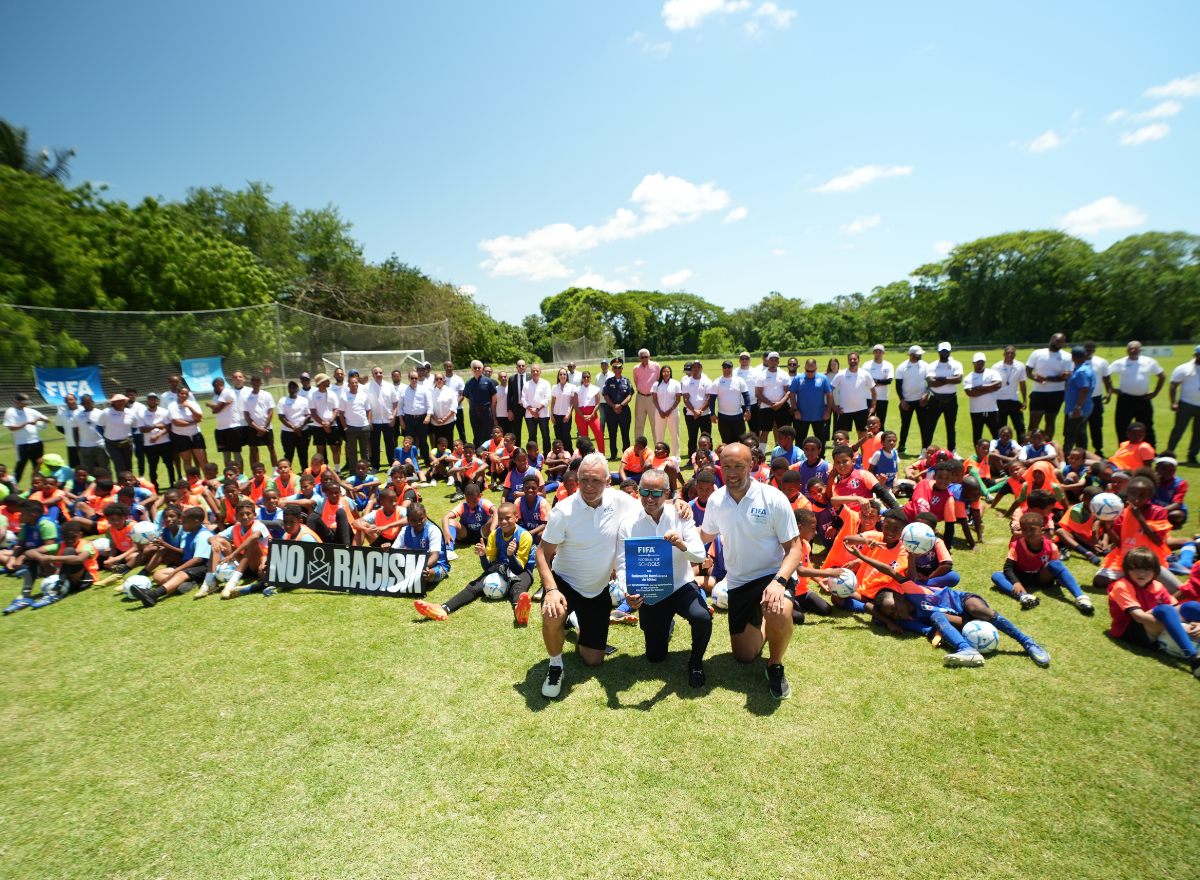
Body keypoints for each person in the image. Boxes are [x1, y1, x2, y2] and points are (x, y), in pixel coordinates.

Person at [536, 452, 693, 698]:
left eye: (596, 480)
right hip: (565, 582)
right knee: (552, 611)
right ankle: (556, 665)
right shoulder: (563, 511)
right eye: (584, 479)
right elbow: (541, 554)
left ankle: (575, 623)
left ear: (607, 480)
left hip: (598, 590)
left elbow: (650, 501)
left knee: (593, 660)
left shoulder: (618, 499)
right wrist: (552, 590)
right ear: (577, 478)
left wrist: (677, 500)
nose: (589, 486)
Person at [699, 442, 807, 699]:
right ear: (720, 467)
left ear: (752, 466)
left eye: (739, 466)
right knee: (744, 656)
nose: (732, 472)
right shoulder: (716, 500)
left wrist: (779, 581)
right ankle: (769, 618)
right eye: (727, 466)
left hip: (773, 574)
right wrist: (678, 517)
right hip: (738, 582)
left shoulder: (773, 498)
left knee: (777, 608)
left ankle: (775, 664)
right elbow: (704, 535)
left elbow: (795, 549)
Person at [614, 468, 710, 686]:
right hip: (652, 590)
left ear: (667, 494)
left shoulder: (681, 516)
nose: (650, 498)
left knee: (702, 617)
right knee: (655, 657)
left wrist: (681, 544)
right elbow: (622, 565)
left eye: (656, 493)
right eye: (645, 492)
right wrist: (626, 591)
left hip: (681, 585)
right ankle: (666, 626)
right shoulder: (629, 524)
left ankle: (696, 663)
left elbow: (700, 554)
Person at [872, 584, 1050, 668]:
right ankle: (966, 650)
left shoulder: (913, 591)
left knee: (978, 609)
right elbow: (871, 611)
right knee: (937, 616)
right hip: (958, 620)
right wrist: (889, 621)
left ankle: (1027, 642)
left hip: (963, 601)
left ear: (900, 596)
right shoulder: (907, 618)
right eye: (892, 614)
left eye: (895, 608)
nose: (896, 614)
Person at [415, 501, 534, 625]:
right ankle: (443, 608)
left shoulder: (525, 536)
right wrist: (483, 556)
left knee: (518, 587)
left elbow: (518, 569)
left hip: (522, 570)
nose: (504, 522)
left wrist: (511, 556)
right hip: (501, 568)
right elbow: (489, 567)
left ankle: (519, 610)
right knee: (474, 586)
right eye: (501, 518)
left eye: (508, 518)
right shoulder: (494, 534)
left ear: (516, 517)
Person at [1106, 546, 1200, 678]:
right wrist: (1181, 629)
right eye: (1135, 568)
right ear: (1127, 570)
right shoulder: (1121, 585)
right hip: (1130, 629)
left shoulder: (1157, 585)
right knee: (1165, 609)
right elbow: (1139, 617)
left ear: (1155, 571)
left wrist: (1196, 622)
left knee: (1191, 606)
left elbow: (1177, 608)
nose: (1141, 573)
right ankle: (1194, 660)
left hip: (1153, 626)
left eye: (1146, 569)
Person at [992, 511, 1092, 612]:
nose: (1028, 533)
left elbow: (1055, 567)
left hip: (1041, 576)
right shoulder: (1017, 545)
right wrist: (1016, 583)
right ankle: (1025, 597)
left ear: (1042, 530)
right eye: (1024, 530)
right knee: (996, 575)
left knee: (1056, 564)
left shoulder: (1051, 546)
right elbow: (1008, 568)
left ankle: (1081, 597)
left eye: (1032, 529)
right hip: (1021, 576)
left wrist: (1060, 579)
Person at [126, 506, 213, 607]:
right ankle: (186, 584)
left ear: (195, 522)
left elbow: (198, 560)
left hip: (206, 567)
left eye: (184, 522)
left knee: (180, 573)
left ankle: (153, 595)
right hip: (191, 567)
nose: (181, 523)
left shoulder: (203, 535)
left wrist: (175, 571)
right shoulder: (190, 533)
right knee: (158, 574)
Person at [1108, 340, 1165, 448]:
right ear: (1127, 350)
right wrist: (1112, 389)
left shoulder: (1149, 361)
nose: (1132, 350)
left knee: (1146, 426)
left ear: (1140, 350)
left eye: (1135, 348)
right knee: (1122, 426)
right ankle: (1124, 450)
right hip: (1125, 399)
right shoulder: (1120, 362)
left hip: (1143, 399)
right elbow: (1106, 374)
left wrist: (1155, 393)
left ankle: (1149, 450)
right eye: (1130, 348)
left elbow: (1162, 376)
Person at [1026, 333, 1073, 443]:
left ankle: (1047, 445)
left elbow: (1065, 377)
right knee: (1034, 420)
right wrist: (1035, 378)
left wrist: (1046, 378)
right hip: (1038, 392)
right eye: (1057, 341)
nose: (1059, 343)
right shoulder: (1038, 353)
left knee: (1050, 420)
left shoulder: (1066, 356)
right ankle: (1029, 446)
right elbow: (1028, 371)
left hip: (1056, 393)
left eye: (1062, 342)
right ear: (1051, 339)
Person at [395, 503, 450, 587]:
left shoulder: (433, 530)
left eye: (421, 519)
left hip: (436, 565)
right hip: (414, 565)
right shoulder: (405, 530)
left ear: (426, 517)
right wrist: (388, 549)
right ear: (408, 520)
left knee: (424, 576)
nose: (418, 523)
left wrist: (419, 568)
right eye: (413, 520)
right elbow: (394, 551)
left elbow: (434, 557)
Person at [1165, 344, 1200, 466]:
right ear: (1195, 354)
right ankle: (1168, 454)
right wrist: (1173, 402)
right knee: (1178, 430)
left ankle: (1192, 456)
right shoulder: (1184, 368)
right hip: (1186, 403)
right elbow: (1173, 386)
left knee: (1198, 432)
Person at [5, 393, 50, 485]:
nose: (25, 404)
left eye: (27, 402)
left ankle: (37, 487)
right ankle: (13, 488)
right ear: (17, 401)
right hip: (22, 444)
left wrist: (42, 420)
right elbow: (11, 427)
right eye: (23, 402)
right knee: (21, 466)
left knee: (38, 465)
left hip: (36, 442)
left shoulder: (31, 411)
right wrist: (27, 423)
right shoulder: (11, 411)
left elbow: (47, 420)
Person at [926, 342, 963, 452]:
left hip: (951, 399)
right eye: (942, 351)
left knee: (951, 427)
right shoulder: (932, 365)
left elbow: (958, 379)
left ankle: (952, 451)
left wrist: (941, 379)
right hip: (935, 399)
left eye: (946, 351)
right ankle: (925, 450)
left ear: (950, 351)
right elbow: (931, 382)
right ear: (938, 352)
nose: (944, 353)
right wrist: (949, 380)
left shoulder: (956, 364)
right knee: (929, 427)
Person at [831, 351, 877, 439]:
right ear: (848, 361)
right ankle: (844, 453)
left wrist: (873, 407)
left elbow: (873, 391)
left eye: (854, 359)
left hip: (861, 409)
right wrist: (834, 407)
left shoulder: (865, 374)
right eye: (850, 359)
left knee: (863, 435)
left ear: (859, 360)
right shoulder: (841, 374)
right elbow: (830, 390)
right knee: (843, 436)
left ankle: (863, 453)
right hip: (845, 410)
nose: (852, 361)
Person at [787, 358, 833, 445]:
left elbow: (829, 394)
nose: (810, 373)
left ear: (816, 368)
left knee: (820, 439)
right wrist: (795, 410)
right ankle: (799, 457)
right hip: (801, 416)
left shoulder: (823, 378)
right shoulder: (798, 378)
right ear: (804, 367)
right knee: (800, 439)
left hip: (819, 415)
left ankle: (821, 457)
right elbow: (792, 394)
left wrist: (828, 411)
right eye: (808, 371)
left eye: (812, 371)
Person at [894, 346, 930, 455]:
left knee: (924, 425)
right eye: (918, 353)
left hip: (921, 401)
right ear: (911, 354)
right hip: (907, 401)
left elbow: (930, 383)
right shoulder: (902, 367)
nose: (920, 355)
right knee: (905, 425)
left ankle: (925, 447)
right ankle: (902, 446)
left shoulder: (925, 365)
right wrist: (902, 400)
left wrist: (926, 395)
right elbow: (898, 385)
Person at [1061, 345, 1097, 453]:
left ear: (1073, 357)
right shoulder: (1085, 368)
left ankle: (1067, 462)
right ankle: (1082, 459)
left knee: (1070, 435)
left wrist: (1077, 407)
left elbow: (1084, 389)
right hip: (1084, 408)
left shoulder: (1081, 371)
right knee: (1081, 435)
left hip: (1077, 410)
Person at [961, 353, 1002, 446]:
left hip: (992, 409)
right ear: (973, 363)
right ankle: (977, 456)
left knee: (996, 434)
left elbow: (997, 385)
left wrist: (979, 387)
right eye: (977, 362)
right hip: (976, 411)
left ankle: (998, 454)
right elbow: (970, 393)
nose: (980, 363)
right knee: (977, 434)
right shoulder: (969, 377)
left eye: (981, 361)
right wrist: (989, 390)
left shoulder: (992, 373)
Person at [754, 351, 792, 451]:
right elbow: (758, 393)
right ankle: (761, 453)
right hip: (766, 407)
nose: (773, 362)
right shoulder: (761, 375)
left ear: (779, 361)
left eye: (776, 360)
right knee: (765, 431)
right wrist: (770, 404)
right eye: (771, 360)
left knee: (782, 431)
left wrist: (780, 403)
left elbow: (788, 392)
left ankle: (782, 451)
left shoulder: (784, 374)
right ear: (768, 361)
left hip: (781, 407)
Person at [708, 360, 751, 445]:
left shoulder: (739, 380)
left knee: (742, 441)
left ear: (732, 368)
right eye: (724, 367)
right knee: (726, 442)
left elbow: (746, 396)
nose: (726, 369)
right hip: (723, 417)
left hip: (738, 416)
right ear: (722, 368)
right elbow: (712, 399)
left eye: (728, 367)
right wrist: (712, 413)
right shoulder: (717, 382)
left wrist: (748, 410)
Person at [991, 345, 1028, 442]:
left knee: (1020, 426)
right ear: (1004, 354)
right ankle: (1000, 450)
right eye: (1008, 353)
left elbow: (1022, 383)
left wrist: (1024, 400)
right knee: (1000, 427)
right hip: (999, 400)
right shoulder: (996, 367)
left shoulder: (1020, 366)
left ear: (1015, 354)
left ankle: (1022, 448)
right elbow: (992, 384)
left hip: (1014, 400)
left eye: (1012, 353)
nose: (1010, 355)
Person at [307, 373, 343, 473]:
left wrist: (330, 423)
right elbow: (313, 412)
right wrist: (323, 424)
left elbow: (336, 409)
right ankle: (321, 470)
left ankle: (337, 470)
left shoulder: (332, 393)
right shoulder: (313, 395)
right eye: (327, 380)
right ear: (321, 383)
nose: (329, 381)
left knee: (335, 448)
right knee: (320, 449)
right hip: (318, 427)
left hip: (333, 425)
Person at [366, 366, 399, 472]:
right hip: (374, 421)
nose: (378, 374)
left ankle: (392, 464)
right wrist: (369, 421)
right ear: (373, 375)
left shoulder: (389, 386)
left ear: (383, 374)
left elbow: (395, 403)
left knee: (390, 443)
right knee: (375, 444)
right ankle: (375, 466)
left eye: (380, 372)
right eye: (376, 373)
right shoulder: (367, 387)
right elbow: (365, 405)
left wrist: (394, 417)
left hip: (388, 420)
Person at [138, 392, 174, 488]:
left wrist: (157, 435)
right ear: (147, 401)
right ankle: (155, 487)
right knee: (153, 467)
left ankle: (172, 484)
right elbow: (142, 429)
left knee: (170, 465)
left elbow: (168, 427)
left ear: (158, 401)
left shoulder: (164, 411)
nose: (152, 401)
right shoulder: (142, 413)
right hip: (149, 445)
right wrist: (154, 426)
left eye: (154, 399)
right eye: (150, 399)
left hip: (165, 442)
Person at [398, 368, 433, 467]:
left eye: (416, 378)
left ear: (418, 379)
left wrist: (428, 416)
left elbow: (430, 404)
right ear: (409, 378)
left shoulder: (424, 389)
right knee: (409, 442)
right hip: (408, 419)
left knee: (423, 441)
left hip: (422, 419)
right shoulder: (403, 391)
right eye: (412, 378)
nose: (414, 380)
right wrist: (401, 420)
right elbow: (400, 406)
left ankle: (426, 461)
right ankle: (411, 462)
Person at [167, 386, 207, 471]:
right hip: (180, 436)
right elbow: (176, 422)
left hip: (196, 435)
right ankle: (191, 483)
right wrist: (193, 423)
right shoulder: (172, 406)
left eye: (186, 394)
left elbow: (198, 417)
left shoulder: (193, 404)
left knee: (203, 460)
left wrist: (189, 407)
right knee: (187, 460)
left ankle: (208, 481)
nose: (184, 395)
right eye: (182, 393)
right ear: (178, 394)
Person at [337, 373, 371, 469]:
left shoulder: (364, 395)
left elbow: (368, 410)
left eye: (356, 383)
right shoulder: (344, 397)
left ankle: (366, 469)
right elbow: (341, 414)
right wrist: (345, 427)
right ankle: (353, 470)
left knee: (365, 450)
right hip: (351, 428)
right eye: (352, 383)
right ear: (348, 385)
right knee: (352, 452)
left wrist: (369, 423)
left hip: (364, 427)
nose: (355, 385)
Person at [680, 360, 712, 460]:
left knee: (707, 437)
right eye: (694, 366)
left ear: (702, 368)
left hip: (705, 414)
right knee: (692, 437)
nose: (696, 368)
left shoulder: (707, 381)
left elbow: (709, 398)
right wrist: (694, 411)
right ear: (692, 369)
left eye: (698, 366)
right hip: (691, 414)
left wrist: (700, 411)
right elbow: (685, 398)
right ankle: (692, 459)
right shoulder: (686, 382)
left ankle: (708, 457)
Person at [1082, 341, 1110, 457]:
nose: (1087, 352)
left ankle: (1098, 449)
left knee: (1096, 426)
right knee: (1080, 426)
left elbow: (1107, 379)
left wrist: (1109, 392)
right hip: (1081, 399)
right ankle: (1082, 450)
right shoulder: (1075, 361)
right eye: (1086, 349)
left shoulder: (1101, 362)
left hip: (1096, 399)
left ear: (1094, 350)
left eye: (1090, 350)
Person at [463, 360, 499, 447]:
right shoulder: (469, 383)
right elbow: (468, 398)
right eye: (475, 368)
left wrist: (488, 406)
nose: (477, 369)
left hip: (486, 411)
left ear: (482, 369)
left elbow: (494, 397)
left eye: (479, 368)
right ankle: (478, 454)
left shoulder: (488, 381)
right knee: (476, 434)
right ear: (472, 369)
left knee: (488, 433)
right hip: (474, 412)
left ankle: (489, 454)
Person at [276, 380, 311, 470]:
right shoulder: (283, 401)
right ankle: (287, 474)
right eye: (291, 387)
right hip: (288, 433)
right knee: (288, 454)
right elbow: (281, 417)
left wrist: (301, 426)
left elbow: (308, 415)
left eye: (294, 387)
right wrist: (294, 428)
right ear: (288, 389)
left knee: (303, 453)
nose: (292, 388)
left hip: (303, 431)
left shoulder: (304, 400)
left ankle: (305, 472)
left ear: (298, 389)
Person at [649, 365, 681, 455]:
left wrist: (670, 410)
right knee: (659, 434)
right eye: (664, 372)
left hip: (673, 412)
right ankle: (659, 454)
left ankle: (676, 456)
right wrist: (660, 411)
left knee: (674, 434)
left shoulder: (676, 383)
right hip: (659, 413)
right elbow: (654, 399)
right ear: (661, 373)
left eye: (668, 372)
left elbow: (678, 399)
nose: (666, 374)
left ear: (670, 372)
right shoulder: (656, 384)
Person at [520, 364, 552, 453]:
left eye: (537, 371)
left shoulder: (546, 383)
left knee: (545, 436)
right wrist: (533, 411)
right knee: (532, 437)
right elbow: (523, 399)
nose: (535, 372)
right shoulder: (526, 385)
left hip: (543, 414)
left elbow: (547, 399)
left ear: (540, 372)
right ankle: (532, 455)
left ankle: (547, 455)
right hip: (530, 415)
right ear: (530, 372)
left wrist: (537, 409)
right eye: (533, 371)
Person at [632, 348, 661, 440]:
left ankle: (658, 446)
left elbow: (659, 380)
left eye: (646, 357)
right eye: (642, 357)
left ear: (649, 356)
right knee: (639, 423)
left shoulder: (656, 366)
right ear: (639, 358)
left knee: (655, 423)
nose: (645, 359)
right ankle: (638, 447)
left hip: (652, 397)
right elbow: (636, 381)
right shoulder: (636, 369)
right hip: (640, 397)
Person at [572, 370, 603, 451]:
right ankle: (585, 455)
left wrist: (592, 415)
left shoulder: (596, 389)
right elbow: (575, 404)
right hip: (580, 415)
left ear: (590, 378)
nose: (586, 378)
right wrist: (583, 416)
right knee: (584, 438)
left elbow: (598, 404)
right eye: (584, 377)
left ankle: (602, 454)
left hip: (593, 415)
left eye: (588, 377)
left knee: (599, 434)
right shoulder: (577, 389)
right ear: (582, 378)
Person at [549, 368, 575, 454]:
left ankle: (569, 453)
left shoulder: (571, 387)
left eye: (564, 374)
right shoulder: (555, 387)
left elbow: (573, 402)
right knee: (558, 436)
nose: (562, 376)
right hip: (556, 414)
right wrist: (552, 415)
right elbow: (553, 402)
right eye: (560, 374)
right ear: (558, 376)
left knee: (566, 435)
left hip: (566, 414)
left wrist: (569, 414)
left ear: (567, 376)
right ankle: (559, 454)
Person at [53, 393, 82, 469]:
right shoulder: (62, 413)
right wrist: (69, 434)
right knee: (75, 466)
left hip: (86, 442)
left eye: (71, 399)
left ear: (76, 399)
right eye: (67, 400)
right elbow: (59, 427)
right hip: (71, 443)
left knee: (89, 464)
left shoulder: (83, 410)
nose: (69, 401)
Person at [506, 359, 530, 446]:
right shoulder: (512, 378)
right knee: (516, 431)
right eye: (519, 366)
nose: (521, 367)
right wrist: (509, 410)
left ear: (526, 367)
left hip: (528, 408)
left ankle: (531, 449)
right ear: (516, 367)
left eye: (523, 366)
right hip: (516, 408)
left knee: (531, 430)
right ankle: (517, 450)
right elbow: (509, 395)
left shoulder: (530, 377)